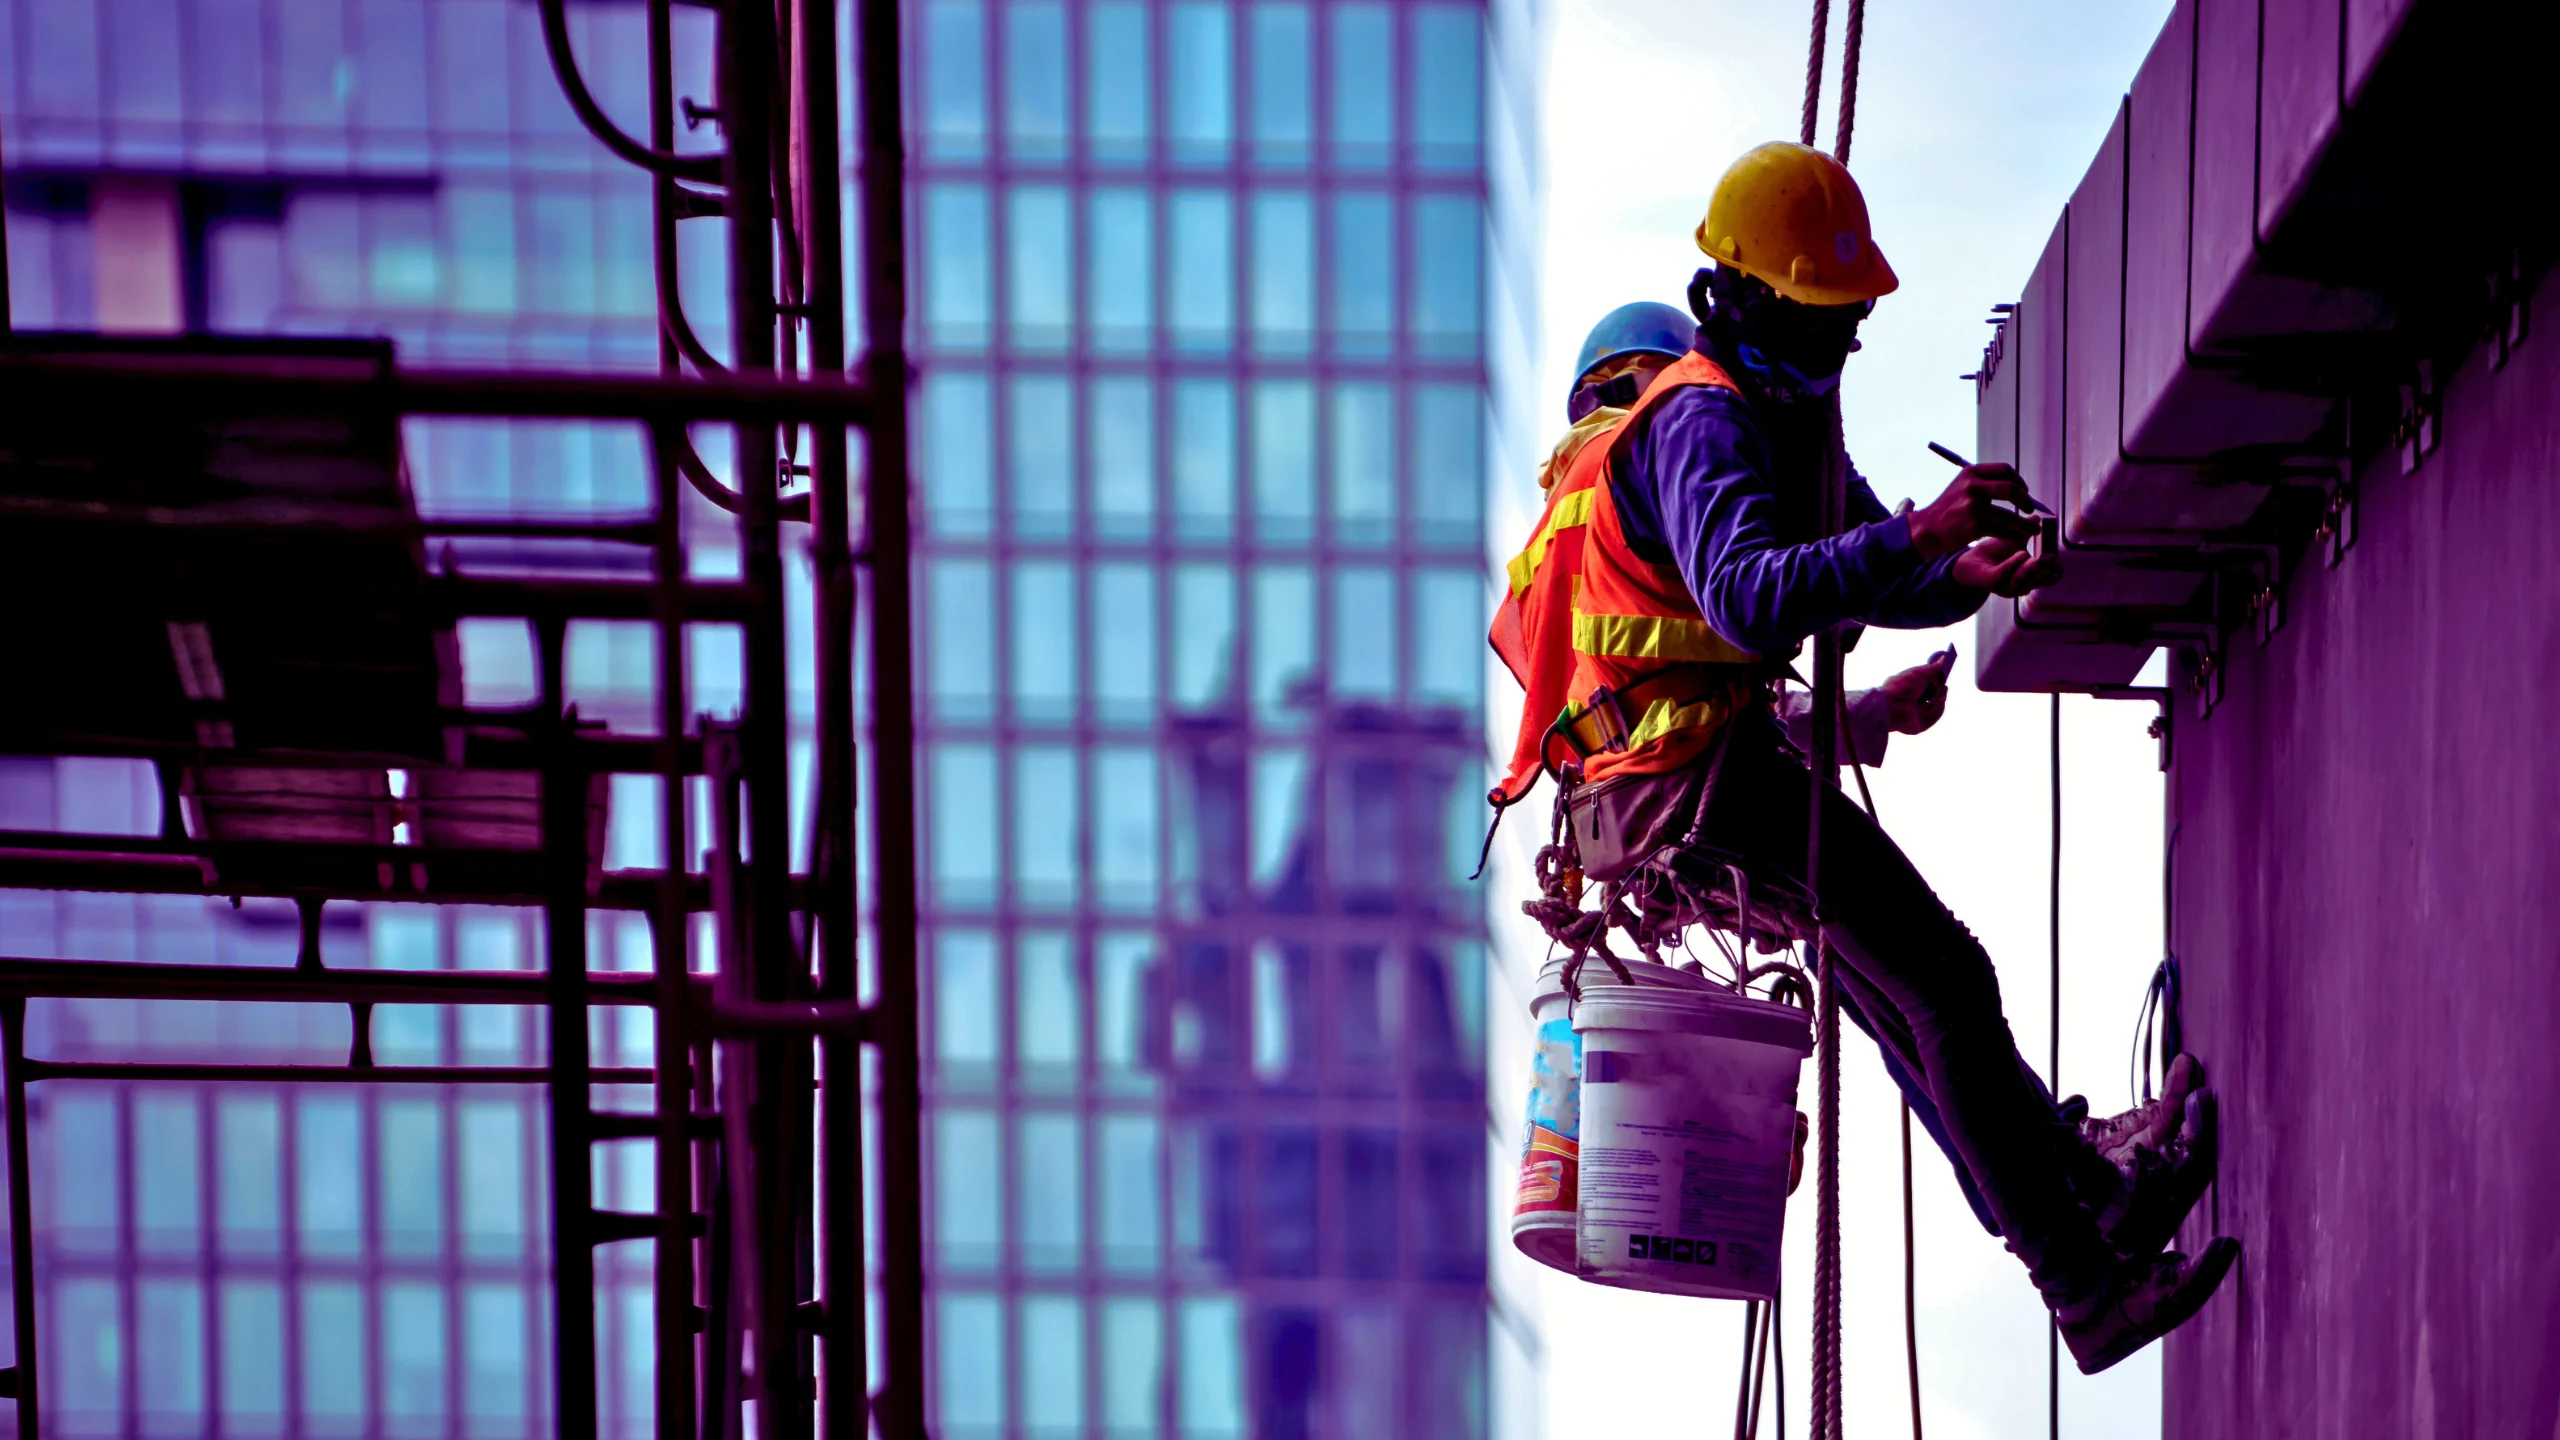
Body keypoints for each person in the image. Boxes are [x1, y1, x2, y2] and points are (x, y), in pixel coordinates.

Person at [1489, 143, 2233, 1375]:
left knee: (1905, 1000)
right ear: (1741, 298)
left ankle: (2091, 1213)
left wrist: (1959, 572)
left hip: (1673, 789)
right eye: (1815, 319)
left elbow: (1853, 579)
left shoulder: (1782, 414)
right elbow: (1747, 597)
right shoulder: (1700, 420)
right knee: (1942, 982)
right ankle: (2082, 1281)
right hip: (1687, 784)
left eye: (1845, 328)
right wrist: (1916, 537)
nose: (1832, 351)